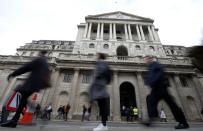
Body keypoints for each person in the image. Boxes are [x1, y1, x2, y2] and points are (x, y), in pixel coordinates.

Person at [1, 50, 51, 128]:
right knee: (23, 100)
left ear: (40, 53)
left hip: (32, 82)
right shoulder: (45, 62)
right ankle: (14, 121)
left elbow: (26, 67)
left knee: (19, 93)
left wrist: (13, 74)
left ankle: (40, 113)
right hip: (37, 84)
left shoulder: (39, 59)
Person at [143, 55, 189, 129]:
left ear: (150, 59)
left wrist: (153, 82)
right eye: (144, 60)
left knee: (172, 105)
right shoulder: (150, 67)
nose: (145, 61)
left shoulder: (156, 64)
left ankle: (183, 122)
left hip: (160, 87)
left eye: (146, 59)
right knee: (152, 102)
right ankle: (151, 120)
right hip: (155, 88)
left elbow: (160, 73)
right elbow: (150, 77)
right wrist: (150, 86)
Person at [89, 53, 111, 131]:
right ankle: (103, 124)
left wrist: (96, 82)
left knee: (102, 106)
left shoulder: (101, 63)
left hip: (99, 87)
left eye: (96, 56)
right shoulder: (103, 63)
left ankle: (103, 125)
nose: (95, 57)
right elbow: (108, 77)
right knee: (102, 106)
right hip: (101, 87)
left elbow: (99, 73)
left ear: (99, 57)